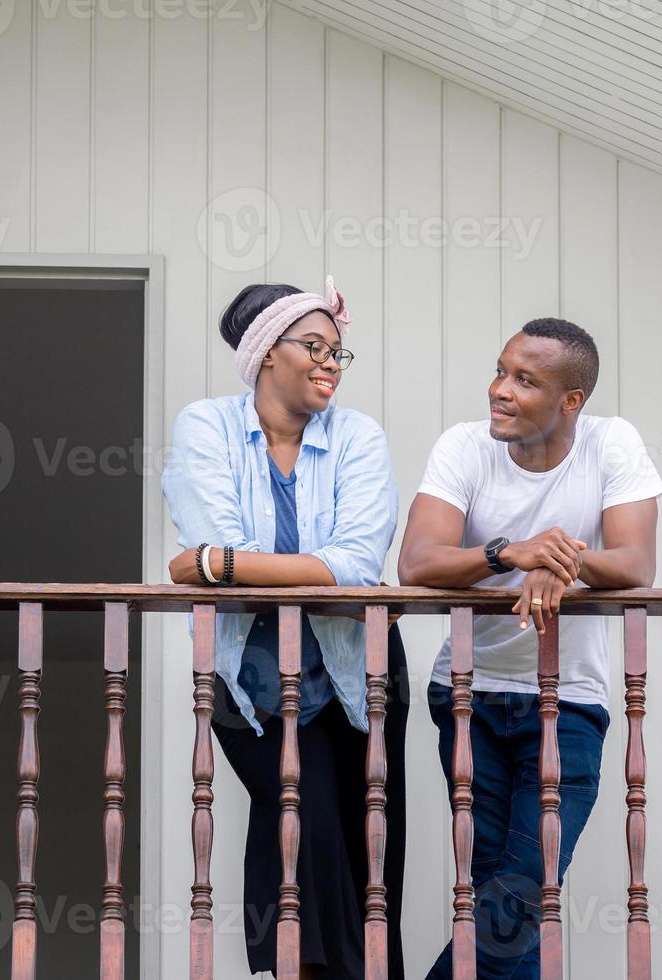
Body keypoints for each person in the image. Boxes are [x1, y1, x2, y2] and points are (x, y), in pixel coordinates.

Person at [397, 317, 662, 979]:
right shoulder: (463, 447)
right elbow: (417, 562)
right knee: (501, 890)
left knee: (516, 893)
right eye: (500, 371)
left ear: (571, 401)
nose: (500, 390)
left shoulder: (611, 442)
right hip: (467, 696)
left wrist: (564, 558)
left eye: (525, 380)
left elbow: (634, 564)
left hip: (567, 700)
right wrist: (510, 553)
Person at [161, 278, 408, 979]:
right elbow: (225, 534)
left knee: (367, 853)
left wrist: (215, 563)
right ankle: (317, 970)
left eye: (339, 352)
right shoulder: (206, 425)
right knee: (303, 817)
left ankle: (317, 968)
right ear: (267, 352)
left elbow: (358, 566)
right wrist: (230, 557)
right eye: (315, 347)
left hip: (357, 675)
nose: (332, 363)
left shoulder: (358, 435)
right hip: (248, 681)